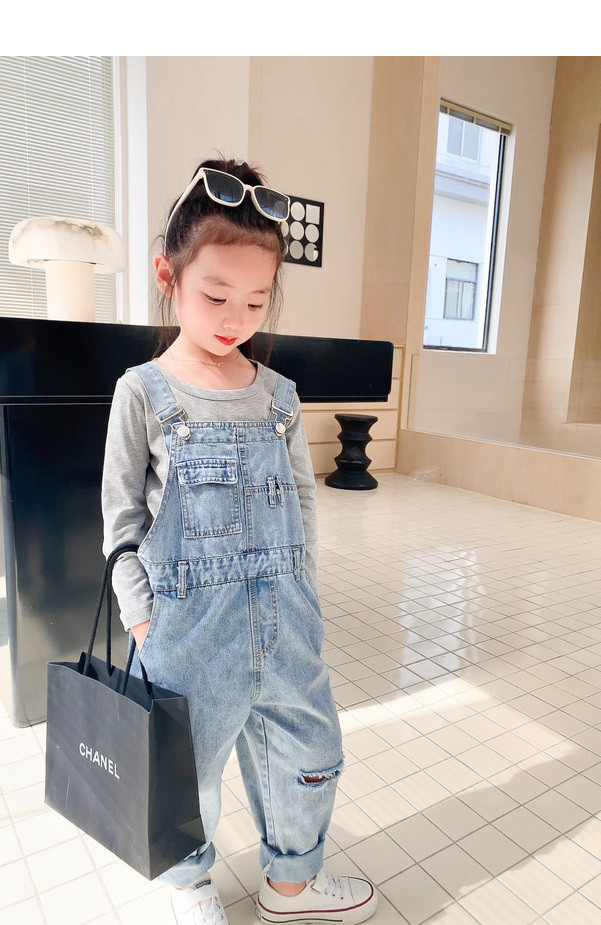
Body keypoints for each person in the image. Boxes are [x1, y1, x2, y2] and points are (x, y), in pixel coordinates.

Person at [101, 158, 378, 925]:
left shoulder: (279, 396)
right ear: (168, 275)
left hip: (285, 616)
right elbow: (121, 520)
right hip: (187, 627)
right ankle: (189, 886)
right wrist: (142, 618)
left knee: (306, 747)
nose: (235, 317)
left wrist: (305, 593)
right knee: (185, 764)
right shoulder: (144, 392)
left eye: (256, 300)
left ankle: (289, 885)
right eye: (216, 295)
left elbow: (302, 500)